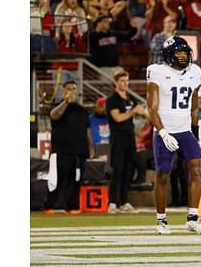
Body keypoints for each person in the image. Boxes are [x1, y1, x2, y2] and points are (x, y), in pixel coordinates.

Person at [145, 36, 201, 234]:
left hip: (185, 131)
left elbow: (194, 107)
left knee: (197, 169)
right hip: (164, 131)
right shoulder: (156, 71)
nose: (183, 56)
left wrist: (195, 132)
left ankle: (192, 218)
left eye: (185, 52)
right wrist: (163, 133)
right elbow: (152, 108)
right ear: (168, 55)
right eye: (178, 52)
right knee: (163, 174)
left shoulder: (194, 72)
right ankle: (161, 220)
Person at [43, 81, 95, 215]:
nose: (72, 92)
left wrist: (91, 147)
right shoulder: (58, 106)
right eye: (69, 89)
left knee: (76, 179)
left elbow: (87, 130)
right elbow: (53, 116)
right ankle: (50, 205)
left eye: (74, 89)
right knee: (57, 179)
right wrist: (65, 102)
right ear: (63, 91)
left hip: (79, 151)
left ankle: (72, 206)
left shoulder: (82, 110)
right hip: (62, 150)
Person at [106, 70, 146, 214]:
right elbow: (118, 118)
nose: (125, 83)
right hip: (118, 139)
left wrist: (147, 112)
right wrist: (133, 112)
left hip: (130, 139)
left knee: (128, 172)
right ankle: (112, 202)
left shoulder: (129, 99)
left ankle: (124, 201)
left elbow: (144, 113)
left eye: (127, 80)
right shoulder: (112, 100)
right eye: (122, 80)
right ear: (116, 82)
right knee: (117, 171)